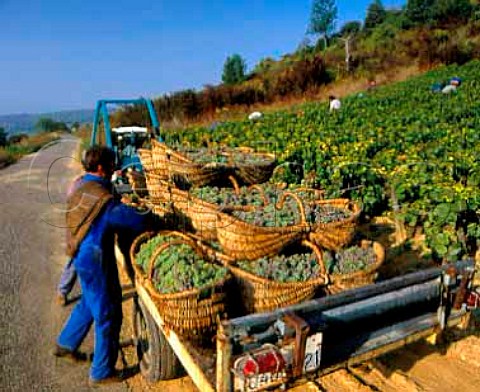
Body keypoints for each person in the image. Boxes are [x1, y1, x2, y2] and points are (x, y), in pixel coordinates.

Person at [52, 146, 148, 386]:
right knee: (107, 313)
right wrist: (150, 216)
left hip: (81, 255)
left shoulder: (81, 184)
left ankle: (66, 343)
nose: (115, 169)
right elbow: (131, 220)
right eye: (112, 165)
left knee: (88, 301)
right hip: (95, 258)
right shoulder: (102, 198)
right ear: (102, 168)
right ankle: (102, 371)